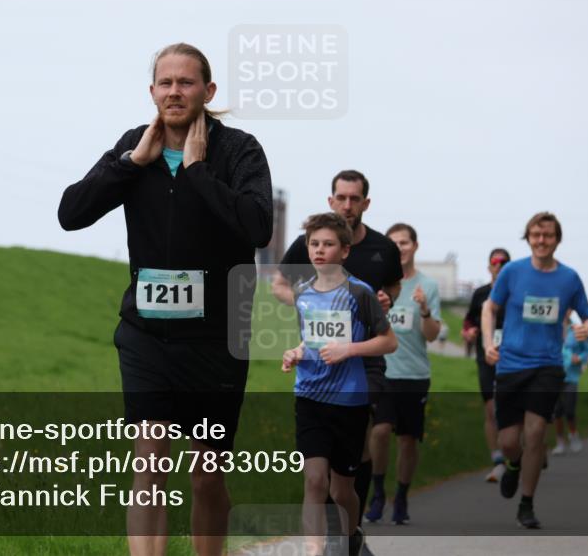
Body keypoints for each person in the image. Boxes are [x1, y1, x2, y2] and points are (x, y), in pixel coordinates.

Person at [57, 43, 272, 556]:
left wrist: (197, 172)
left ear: (208, 91)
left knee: (205, 474)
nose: (175, 91)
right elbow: (71, 212)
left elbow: (258, 226)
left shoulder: (239, 150)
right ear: (152, 91)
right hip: (146, 333)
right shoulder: (136, 146)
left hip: (217, 338)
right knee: (150, 460)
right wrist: (130, 165)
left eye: (186, 82)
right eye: (165, 83)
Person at [272, 169, 402, 554]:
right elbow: (312, 339)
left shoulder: (360, 292)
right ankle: (314, 550)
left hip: (351, 394)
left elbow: (388, 341)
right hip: (310, 394)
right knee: (314, 479)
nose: (318, 250)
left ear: (344, 251)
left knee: (341, 486)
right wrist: (297, 353)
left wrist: (349, 349)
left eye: (327, 244)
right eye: (314, 244)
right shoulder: (304, 294)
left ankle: (349, 536)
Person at [482, 211, 588, 530]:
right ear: (528, 238)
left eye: (547, 235)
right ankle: (513, 465)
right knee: (508, 441)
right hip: (511, 365)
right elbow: (489, 307)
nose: (541, 241)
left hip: (547, 365)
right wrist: (489, 343)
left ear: (557, 239)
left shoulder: (569, 278)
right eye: (535, 235)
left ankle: (526, 504)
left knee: (534, 433)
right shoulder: (513, 272)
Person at [365, 223, 441, 525]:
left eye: (405, 242)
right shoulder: (379, 283)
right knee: (380, 432)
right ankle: (378, 491)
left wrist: (424, 309)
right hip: (383, 371)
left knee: (408, 441)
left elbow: (433, 335)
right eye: (394, 243)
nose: (400, 247)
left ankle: (402, 496)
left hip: (414, 374)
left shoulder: (428, 287)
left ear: (415, 246)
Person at [461, 248, 511, 482]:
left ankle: (523, 452)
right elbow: (469, 319)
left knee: (511, 410)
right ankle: (498, 459)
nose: (499, 266)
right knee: (491, 409)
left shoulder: (517, 292)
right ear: (489, 267)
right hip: (486, 357)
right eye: (495, 262)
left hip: (513, 358)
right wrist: (469, 331)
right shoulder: (481, 293)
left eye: (504, 262)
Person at [551, 318, 588, 455]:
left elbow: (587, 349)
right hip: (552, 374)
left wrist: (580, 358)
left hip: (571, 376)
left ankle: (573, 435)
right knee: (556, 411)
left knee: (569, 410)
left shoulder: (576, 329)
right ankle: (560, 442)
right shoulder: (548, 326)